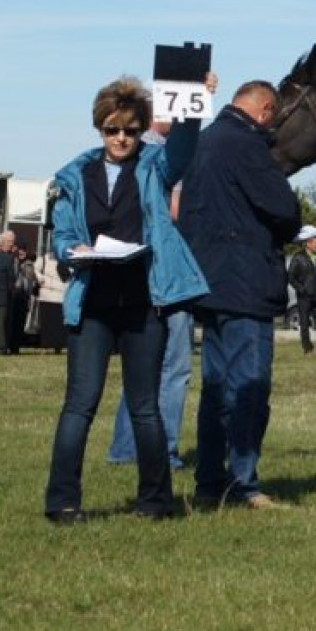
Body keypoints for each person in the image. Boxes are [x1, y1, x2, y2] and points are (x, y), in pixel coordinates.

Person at [44, 76, 207, 525]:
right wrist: (70, 250)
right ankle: (62, 502)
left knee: (146, 406)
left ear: (141, 131)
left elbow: (184, 149)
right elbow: (64, 231)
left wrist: (195, 104)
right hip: (92, 302)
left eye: (131, 130)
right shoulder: (74, 174)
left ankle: (155, 502)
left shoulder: (156, 166)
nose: (121, 138)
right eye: (113, 129)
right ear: (100, 128)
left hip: (143, 302)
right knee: (80, 404)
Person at [179, 80, 301, 509]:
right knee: (248, 385)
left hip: (208, 282)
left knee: (214, 389)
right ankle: (243, 483)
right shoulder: (248, 146)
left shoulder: (203, 141)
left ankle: (209, 482)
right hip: (246, 281)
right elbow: (284, 211)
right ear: (265, 110)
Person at [107, 72, 218, 470]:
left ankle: (124, 450)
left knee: (142, 368)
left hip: (139, 273)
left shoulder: (130, 152)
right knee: (173, 368)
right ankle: (163, 452)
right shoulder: (157, 154)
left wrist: (196, 103)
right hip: (165, 274)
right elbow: (172, 212)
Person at [288, 227, 316, 355]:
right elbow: (291, 277)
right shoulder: (298, 257)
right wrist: (302, 289)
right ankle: (308, 348)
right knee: (305, 324)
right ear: (308, 243)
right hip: (304, 298)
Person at [34, 251, 69, 353]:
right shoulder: (43, 258)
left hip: (61, 296)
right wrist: (41, 278)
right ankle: (45, 346)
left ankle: (58, 346)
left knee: (59, 325)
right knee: (46, 324)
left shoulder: (67, 258)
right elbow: (35, 270)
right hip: (46, 296)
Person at [8, 244, 38, 354]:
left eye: (23, 250)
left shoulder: (28, 264)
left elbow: (30, 278)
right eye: (19, 250)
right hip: (13, 295)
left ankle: (15, 347)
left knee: (19, 323)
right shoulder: (12, 261)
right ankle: (10, 344)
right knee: (11, 323)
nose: (21, 253)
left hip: (23, 296)